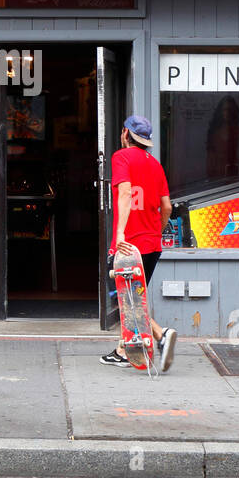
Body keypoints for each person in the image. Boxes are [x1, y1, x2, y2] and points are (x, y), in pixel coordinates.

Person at [102, 115, 177, 372]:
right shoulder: (156, 165)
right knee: (133, 296)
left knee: (130, 299)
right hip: (152, 244)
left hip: (129, 245)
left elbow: (124, 191)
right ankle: (124, 350)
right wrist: (157, 229)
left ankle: (161, 334)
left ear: (125, 133)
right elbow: (166, 206)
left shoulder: (121, 157)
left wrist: (120, 234)